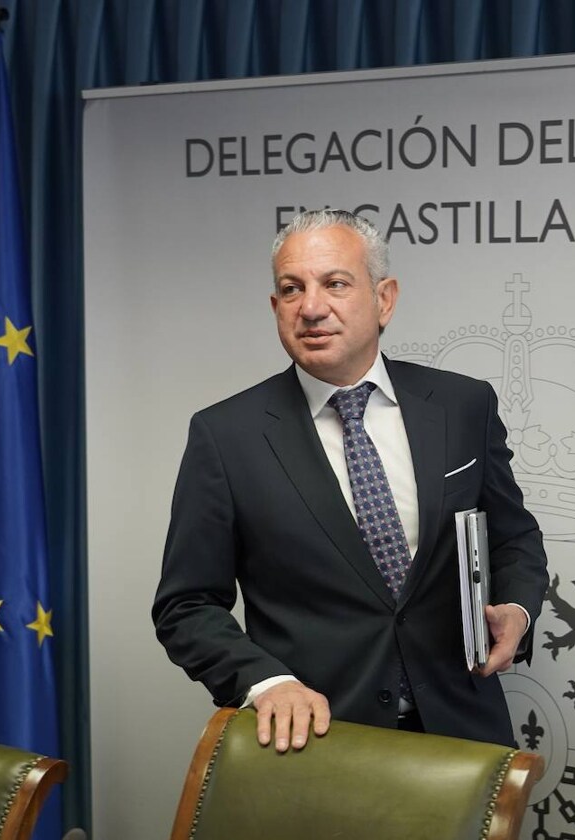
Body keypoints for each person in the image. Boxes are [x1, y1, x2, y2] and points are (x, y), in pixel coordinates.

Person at [152, 209, 548, 751]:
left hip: (462, 729)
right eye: (291, 290)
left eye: (335, 283)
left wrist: (518, 609)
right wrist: (267, 682)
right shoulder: (226, 436)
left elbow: (513, 538)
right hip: (316, 744)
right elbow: (187, 606)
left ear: (384, 299)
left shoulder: (462, 405)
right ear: (275, 308)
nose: (312, 308)